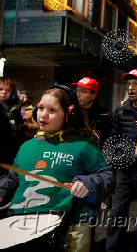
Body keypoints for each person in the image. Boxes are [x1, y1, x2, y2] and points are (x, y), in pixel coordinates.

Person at [0, 84, 113, 251]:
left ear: (68, 115)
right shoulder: (26, 146)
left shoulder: (82, 146)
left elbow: (107, 176)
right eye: (41, 108)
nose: (43, 115)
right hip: (19, 224)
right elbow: (14, 177)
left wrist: (88, 183)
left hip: (65, 227)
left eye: (52, 111)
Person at [106, 69, 137, 252]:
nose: (131, 87)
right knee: (118, 211)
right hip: (125, 170)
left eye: (136, 83)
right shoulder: (121, 110)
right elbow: (114, 136)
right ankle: (112, 247)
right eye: (129, 84)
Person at [72, 77, 111, 145]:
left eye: (83, 91)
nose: (78, 94)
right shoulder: (71, 112)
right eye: (77, 90)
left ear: (94, 95)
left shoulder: (104, 116)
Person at [0, 78, 25, 160]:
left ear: (13, 93)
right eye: (0, 89)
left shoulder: (16, 108)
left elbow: (20, 126)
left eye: (8, 90)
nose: (4, 92)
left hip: (12, 144)